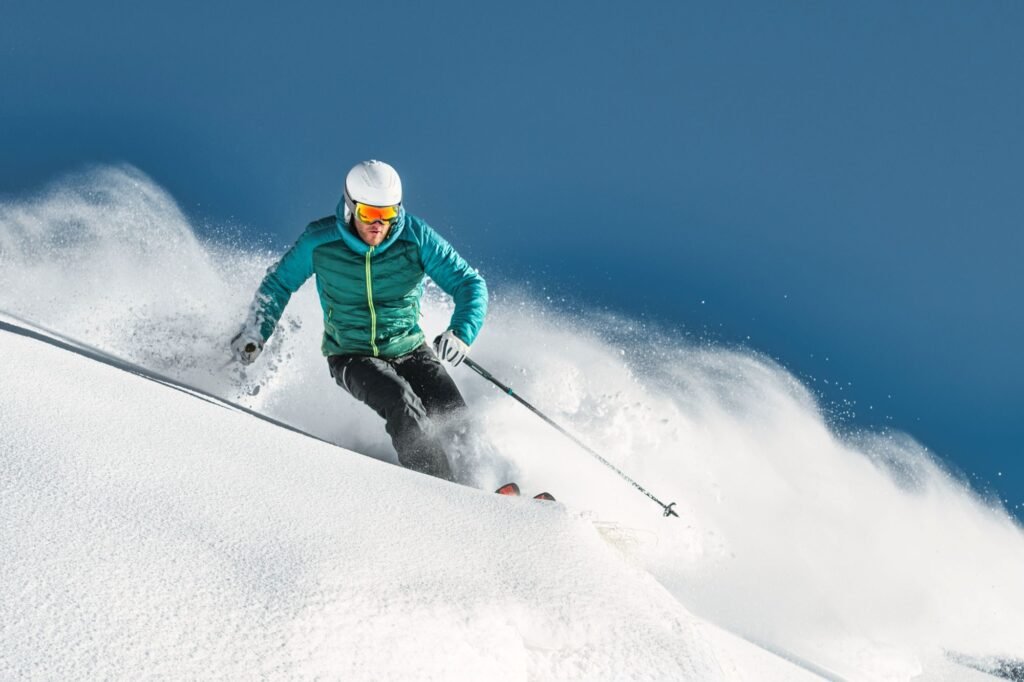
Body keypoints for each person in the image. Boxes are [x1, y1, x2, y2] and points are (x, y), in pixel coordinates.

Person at [231, 160, 487, 482]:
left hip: (409, 348)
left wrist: (461, 332)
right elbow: (279, 283)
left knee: (455, 417)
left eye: (388, 214)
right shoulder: (320, 241)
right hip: (351, 354)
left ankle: (485, 483)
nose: (379, 224)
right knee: (402, 404)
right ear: (351, 207)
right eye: (369, 214)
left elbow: (469, 283)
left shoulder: (415, 237)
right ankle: (443, 488)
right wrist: (257, 330)